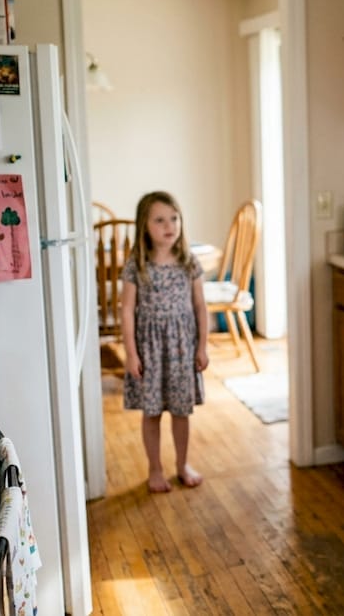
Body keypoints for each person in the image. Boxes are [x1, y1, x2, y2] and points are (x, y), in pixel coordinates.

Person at [121, 190, 211, 493]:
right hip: (150, 350)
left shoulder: (189, 261)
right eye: (159, 220)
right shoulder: (138, 264)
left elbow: (201, 307)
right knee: (152, 411)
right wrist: (131, 354)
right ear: (144, 226)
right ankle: (155, 469)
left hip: (182, 348)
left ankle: (182, 464)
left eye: (174, 218)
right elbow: (127, 310)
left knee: (181, 410)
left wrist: (202, 346)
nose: (169, 225)